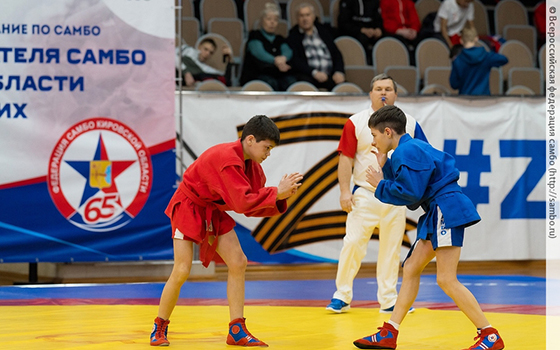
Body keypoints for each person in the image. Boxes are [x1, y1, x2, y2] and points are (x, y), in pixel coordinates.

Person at [353, 105, 505, 350]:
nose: (373, 140)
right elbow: (414, 189)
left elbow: (411, 194)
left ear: (388, 132)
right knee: (412, 267)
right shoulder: (409, 149)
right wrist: (385, 165)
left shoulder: (407, 150)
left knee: (446, 279)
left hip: (444, 208)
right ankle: (390, 333)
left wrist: (380, 183)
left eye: (374, 135)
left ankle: (489, 334)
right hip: (439, 209)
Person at [150, 115, 303, 347]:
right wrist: (276, 193)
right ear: (250, 139)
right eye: (267, 147)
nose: (268, 154)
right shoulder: (226, 159)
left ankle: (236, 329)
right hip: (189, 205)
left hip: (210, 208)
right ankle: (159, 326)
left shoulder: (253, 167)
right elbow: (243, 203)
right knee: (181, 269)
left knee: (238, 262)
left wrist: (278, 197)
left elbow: (251, 207)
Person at [326, 74, 427, 314]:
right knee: (352, 244)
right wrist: (343, 191)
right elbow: (346, 158)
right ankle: (342, 295)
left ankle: (389, 299)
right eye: (378, 88)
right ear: (370, 94)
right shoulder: (356, 122)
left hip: (395, 194)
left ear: (396, 94)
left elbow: (422, 154)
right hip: (365, 193)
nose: (383, 93)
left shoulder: (410, 123)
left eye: (388, 89)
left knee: (392, 248)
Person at [287, 3, 345, 91]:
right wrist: (314, 73)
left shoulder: (324, 32)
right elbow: (296, 61)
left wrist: (339, 71)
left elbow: (336, 54)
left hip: (330, 76)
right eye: (301, 16)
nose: (305, 19)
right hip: (309, 76)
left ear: (313, 17)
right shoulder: (293, 36)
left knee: (346, 89)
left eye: (307, 15)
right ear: (297, 19)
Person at [240, 2, 297, 91]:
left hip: (278, 74)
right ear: (262, 20)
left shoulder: (280, 38)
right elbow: (258, 52)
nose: (272, 22)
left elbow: (288, 51)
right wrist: (276, 61)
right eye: (269, 19)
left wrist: (283, 58)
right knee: (271, 83)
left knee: (291, 82)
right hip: (258, 74)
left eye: (275, 20)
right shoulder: (255, 35)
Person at [449, 27, 508, 95]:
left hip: (465, 99)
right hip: (483, 99)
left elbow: (454, 84)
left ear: (461, 40)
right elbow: (504, 59)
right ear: (476, 39)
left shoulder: (457, 60)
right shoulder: (486, 56)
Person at [338, 0, 384, 65]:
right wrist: (361, 30)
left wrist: (378, 29)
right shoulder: (347, 2)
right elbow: (343, 23)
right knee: (362, 39)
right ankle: (365, 66)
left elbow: (378, 19)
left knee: (385, 39)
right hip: (354, 33)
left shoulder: (374, 2)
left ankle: (381, 67)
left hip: (372, 32)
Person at [379, 0, 421, 64]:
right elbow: (385, 21)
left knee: (422, 41)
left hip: (409, 31)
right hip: (394, 32)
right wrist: (399, 31)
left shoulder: (408, 2)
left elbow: (414, 18)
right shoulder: (385, 2)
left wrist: (414, 30)